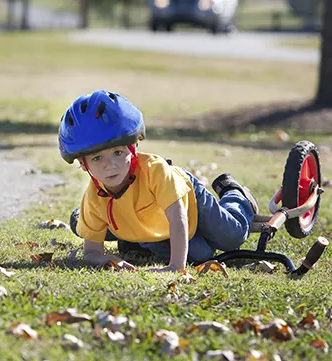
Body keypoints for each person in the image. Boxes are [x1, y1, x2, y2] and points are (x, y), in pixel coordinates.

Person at [59, 90, 258, 272]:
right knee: (201, 255)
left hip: (188, 199)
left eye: (118, 153)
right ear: (84, 165)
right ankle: (134, 242)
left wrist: (175, 266)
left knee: (233, 236)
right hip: (151, 225)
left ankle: (234, 193)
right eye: (97, 158)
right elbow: (91, 252)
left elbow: (178, 217)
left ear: (133, 148)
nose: (110, 165)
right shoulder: (94, 198)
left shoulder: (156, 172)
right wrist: (109, 260)